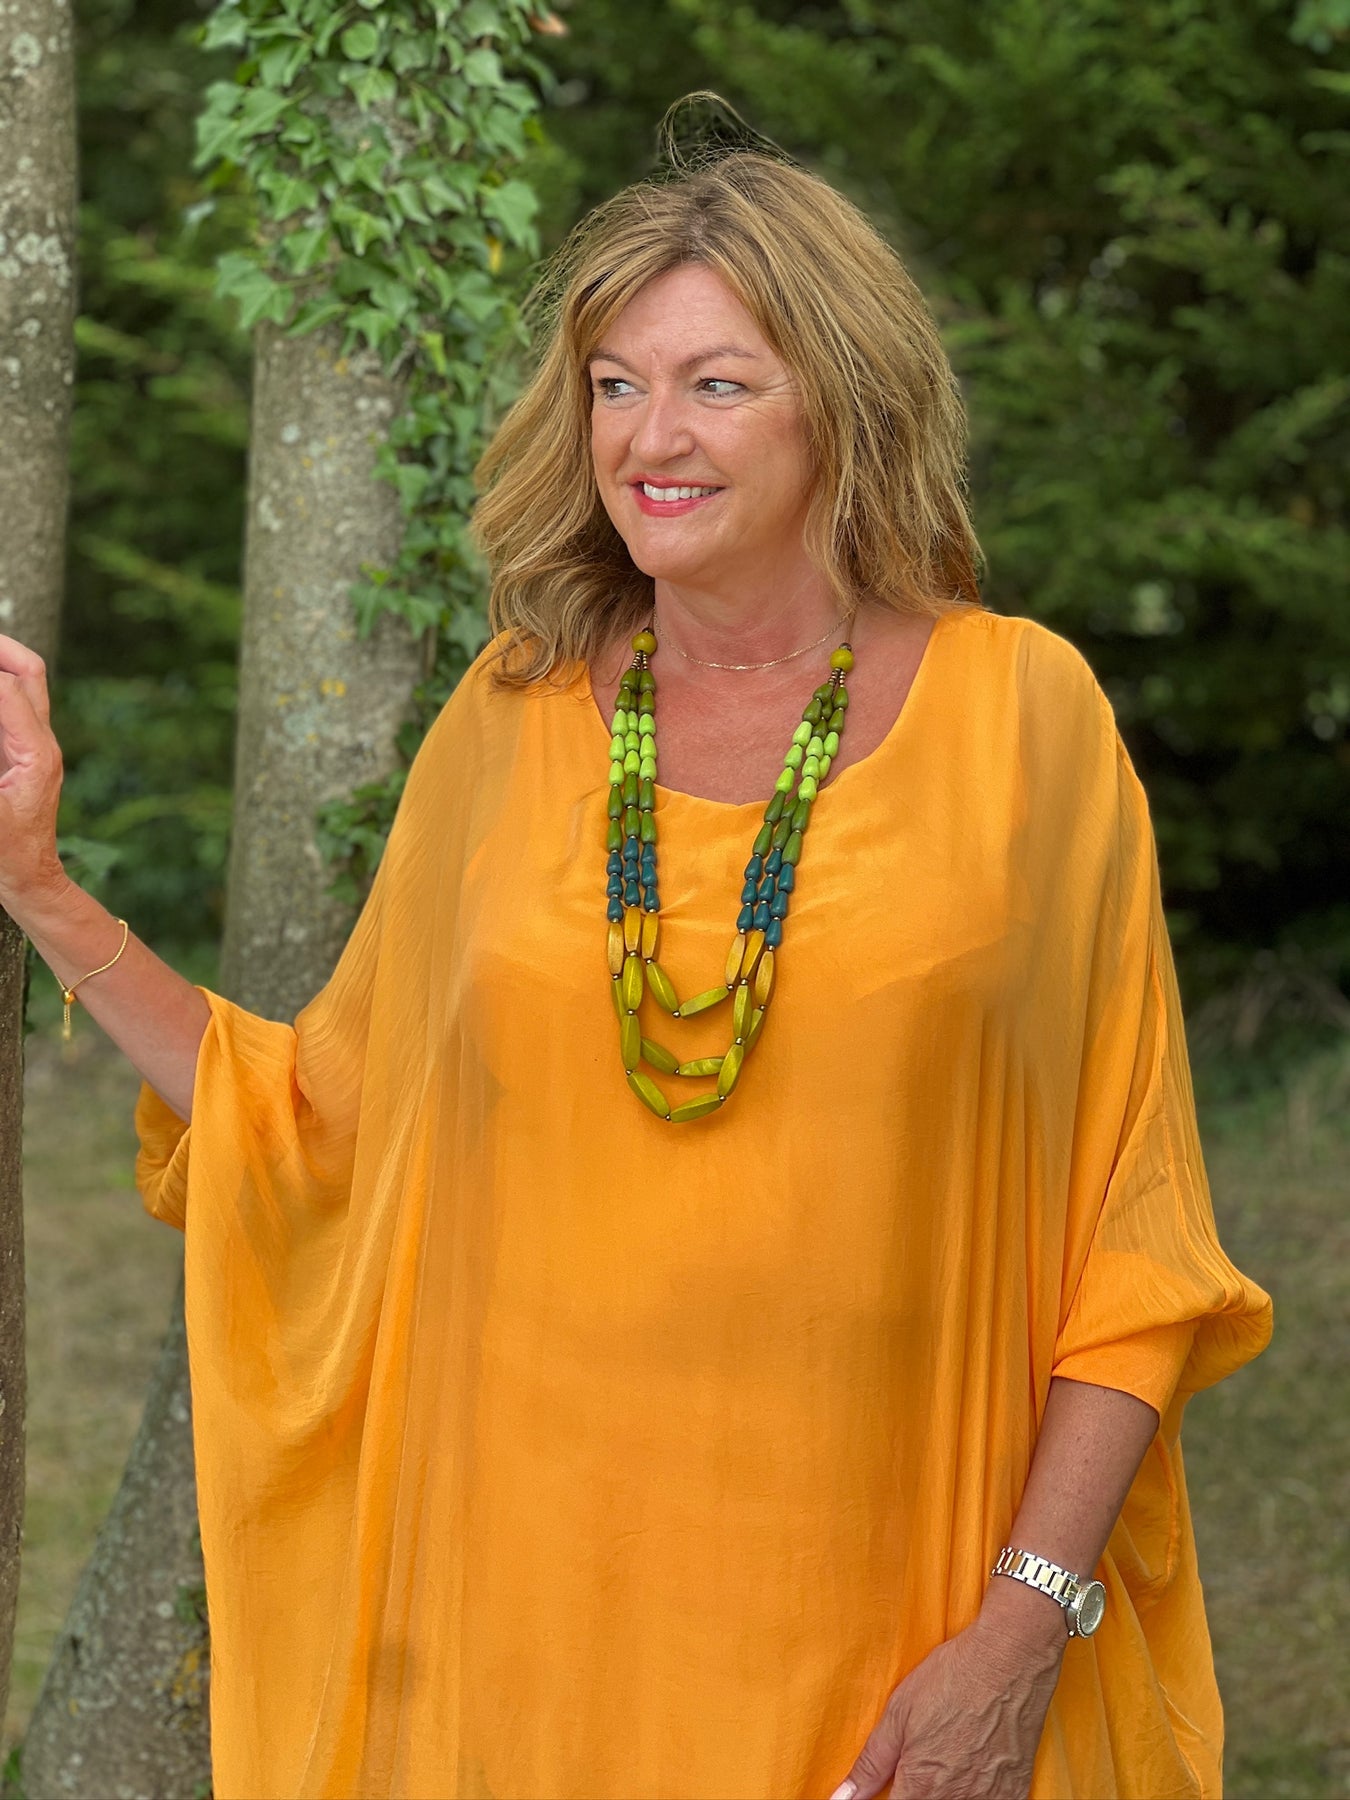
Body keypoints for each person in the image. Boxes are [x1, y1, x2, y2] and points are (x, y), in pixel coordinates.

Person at [0, 137, 1272, 1800]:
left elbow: (1137, 1246)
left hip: (893, 1612)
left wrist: (1019, 1629)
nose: (648, 439)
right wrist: (38, 887)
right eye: (614, 383)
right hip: (527, 1614)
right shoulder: (511, 714)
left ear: (843, 402)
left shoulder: (1027, 722)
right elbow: (317, 1129)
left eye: (715, 385)